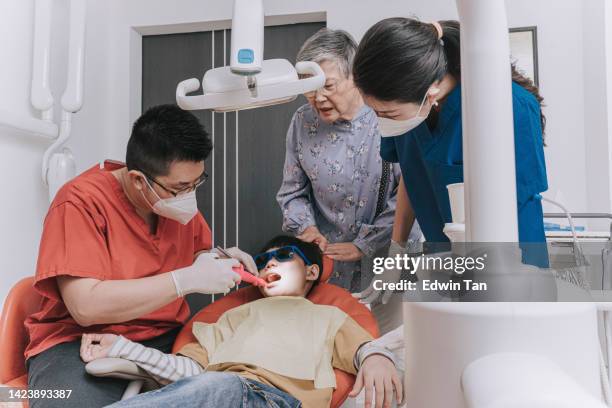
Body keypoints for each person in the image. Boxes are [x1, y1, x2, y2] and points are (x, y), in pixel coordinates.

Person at [25, 104, 258, 408]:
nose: (190, 196)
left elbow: (195, 251)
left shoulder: (173, 203)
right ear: (138, 179)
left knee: (236, 389)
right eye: (181, 187)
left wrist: (220, 259)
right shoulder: (80, 203)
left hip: (166, 338)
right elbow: (86, 306)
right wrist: (185, 280)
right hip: (78, 342)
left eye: (197, 183)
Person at [352, 18, 549, 304]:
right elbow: (413, 174)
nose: (381, 122)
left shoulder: (509, 107)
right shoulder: (409, 116)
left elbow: (513, 201)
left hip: (511, 268)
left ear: (429, 92)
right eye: (375, 112)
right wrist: (397, 252)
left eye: (388, 114)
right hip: (445, 265)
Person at [80, 235, 402, 408]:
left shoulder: (327, 315)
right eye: (263, 261)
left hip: (274, 401)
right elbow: (187, 374)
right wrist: (122, 347)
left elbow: (363, 348)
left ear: (312, 272)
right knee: (208, 385)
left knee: (218, 386)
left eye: (284, 256)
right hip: (220, 392)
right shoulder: (231, 317)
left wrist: (377, 359)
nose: (270, 262)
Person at [277, 28, 421, 294]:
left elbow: (410, 191)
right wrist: (307, 228)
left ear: (354, 76)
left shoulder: (388, 114)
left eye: (328, 86)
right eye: (309, 88)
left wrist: (363, 244)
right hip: (330, 266)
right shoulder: (302, 121)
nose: (318, 97)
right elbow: (292, 192)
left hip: (392, 262)